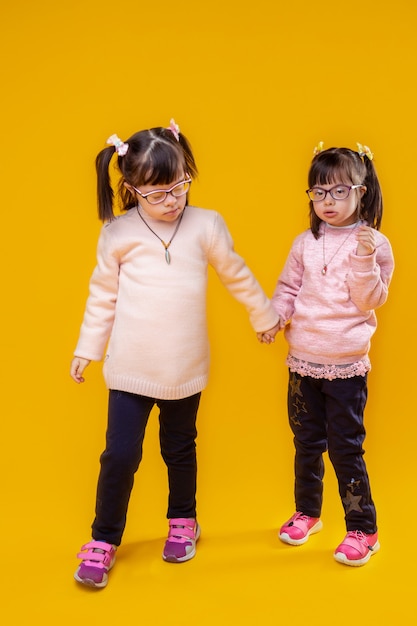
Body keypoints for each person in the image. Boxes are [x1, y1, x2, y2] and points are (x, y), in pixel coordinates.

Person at [70, 119, 279, 588]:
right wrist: (89, 348)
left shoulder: (205, 224)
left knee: (179, 448)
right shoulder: (118, 234)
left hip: (184, 365)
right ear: (131, 189)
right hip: (129, 367)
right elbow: (102, 296)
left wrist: (263, 316)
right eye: (158, 194)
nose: (173, 201)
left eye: (180, 186)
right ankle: (104, 539)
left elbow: (236, 273)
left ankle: (183, 519)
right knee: (120, 455)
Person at [263, 142, 394, 566]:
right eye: (318, 192)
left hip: (346, 369)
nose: (327, 201)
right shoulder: (305, 242)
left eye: (338, 191)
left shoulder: (374, 243)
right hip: (303, 364)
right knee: (305, 443)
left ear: (362, 190)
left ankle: (363, 529)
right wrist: (276, 317)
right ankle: (309, 512)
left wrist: (363, 257)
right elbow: (287, 288)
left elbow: (370, 300)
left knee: (345, 448)